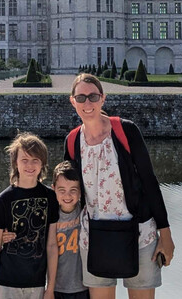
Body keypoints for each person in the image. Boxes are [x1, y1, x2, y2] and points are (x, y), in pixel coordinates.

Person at [65, 73, 175, 299]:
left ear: (103, 99)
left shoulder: (126, 131)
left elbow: (150, 182)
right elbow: (67, 192)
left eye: (93, 97)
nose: (88, 103)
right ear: (72, 101)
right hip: (94, 237)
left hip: (140, 235)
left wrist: (166, 235)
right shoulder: (72, 141)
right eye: (81, 97)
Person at [0, 132, 60, 299]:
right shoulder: (4, 199)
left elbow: (51, 245)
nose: (30, 165)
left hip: (37, 282)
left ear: (42, 163)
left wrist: (50, 288)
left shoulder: (50, 197)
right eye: (24, 160)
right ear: (16, 163)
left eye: (35, 160)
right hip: (7, 281)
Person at [4, 161, 89, 299]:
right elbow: (27, 232)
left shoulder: (86, 213)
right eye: (62, 190)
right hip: (55, 287)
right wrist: (6, 236)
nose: (67, 196)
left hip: (83, 286)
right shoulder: (45, 215)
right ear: (53, 188)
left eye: (73, 190)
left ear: (81, 191)